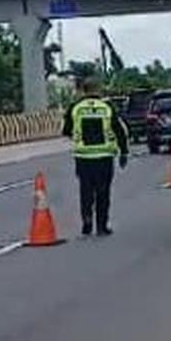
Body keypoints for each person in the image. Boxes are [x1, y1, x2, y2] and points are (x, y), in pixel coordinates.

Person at [62, 81, 130, 236]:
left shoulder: (75, 108)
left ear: (83, 91)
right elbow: (119, 131)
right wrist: (124, 152)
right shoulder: (106, 108)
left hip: (83, 157)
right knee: (103, 192)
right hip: (104, 157)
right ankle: (101, 225)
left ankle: (86, 219)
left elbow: (66, 130)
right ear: (98, 90)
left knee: (85, 190)